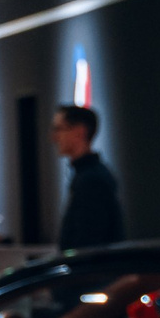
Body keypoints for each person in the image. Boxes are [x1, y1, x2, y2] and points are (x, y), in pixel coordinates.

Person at [51, 103, 124, 252]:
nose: (54, 137)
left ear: (80, 131)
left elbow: (87, 242)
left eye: (59, 129)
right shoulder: (90, 175)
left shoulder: (91, 180)